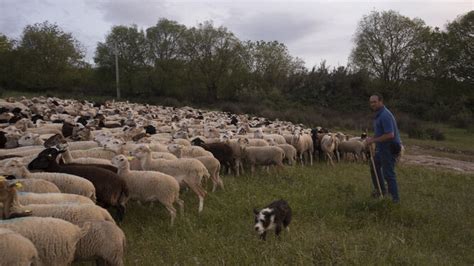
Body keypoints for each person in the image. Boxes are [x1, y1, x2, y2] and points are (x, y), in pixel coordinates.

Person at [366, 94, 402, 203]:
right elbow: (380, 133)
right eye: (371, 102)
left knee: (388, 174)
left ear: (381, 101)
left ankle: (394, 200)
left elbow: (390, 134)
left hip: (389, 148)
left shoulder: (385, 115)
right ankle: (380, 190)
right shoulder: (378, 115)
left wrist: (373, 141)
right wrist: (371, 138)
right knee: (374, 165)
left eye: (375, 102)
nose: (372, 104)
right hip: (381, 148)